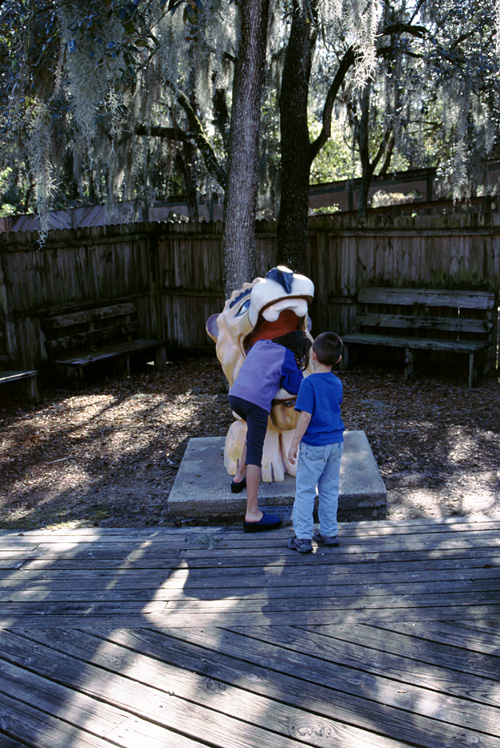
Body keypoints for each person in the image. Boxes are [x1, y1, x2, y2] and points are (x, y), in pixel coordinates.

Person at [228, 330, 312, 532]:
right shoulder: (287, 356)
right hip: (255, 403)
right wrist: (297, 368)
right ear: (298, 351)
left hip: (236, 397)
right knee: (256, 455)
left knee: (252, 435)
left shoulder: (260, 344)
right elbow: (295, 385)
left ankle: (239, 477)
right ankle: (252, 514)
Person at [287, 332, 344, 553]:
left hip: (313, 446)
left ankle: (302, 537)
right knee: (329, 490)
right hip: (335, 443)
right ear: (337, 360)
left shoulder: (308, 383)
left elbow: (306, 416)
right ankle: (329, 533)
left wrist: (294, 444)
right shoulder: (337, 383)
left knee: (305, 490)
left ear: (312, 354)